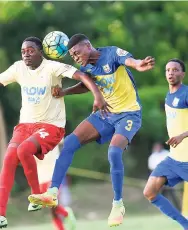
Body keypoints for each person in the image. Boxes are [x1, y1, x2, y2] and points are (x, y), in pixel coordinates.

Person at [28, 33, 155, 227]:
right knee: (69, 142)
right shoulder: (85, 66)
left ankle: (118, 204)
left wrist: (138, 64)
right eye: (72, 55)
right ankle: (52, 193)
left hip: (128, 114)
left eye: (77, 52)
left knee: (113, 152)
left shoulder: (111, 53)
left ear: (88, 46)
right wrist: (64, 92)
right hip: (106, 113)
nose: (76, 57)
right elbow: (86, 85)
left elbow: (129, 60)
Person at [0, 36, 108, 228]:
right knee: (11, 158)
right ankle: (4, 214)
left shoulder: (52, 68)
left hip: (48, 140)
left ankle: (59, 212)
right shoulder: (18, 68)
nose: (26, 54)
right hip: (26, 131)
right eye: (23, 51)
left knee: (49, 199)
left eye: (31, 50)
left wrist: (97, 95)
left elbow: (82, 76)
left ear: (41, 51)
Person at [143, 59, 188, 230]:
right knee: (149, 192)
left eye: (175, 70)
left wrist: (182, 135)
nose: (171, 73)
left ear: (182, 74)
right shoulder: (168, 95)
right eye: (168, 70)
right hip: (173, 160)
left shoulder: (186, 94)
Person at [148, 142, 180, 210]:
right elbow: (152, 169)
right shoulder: (152, 156)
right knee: (160, 195)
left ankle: (178, 209)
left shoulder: (166, 153)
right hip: (158, 178)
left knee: (172, 194)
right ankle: (163, 209)